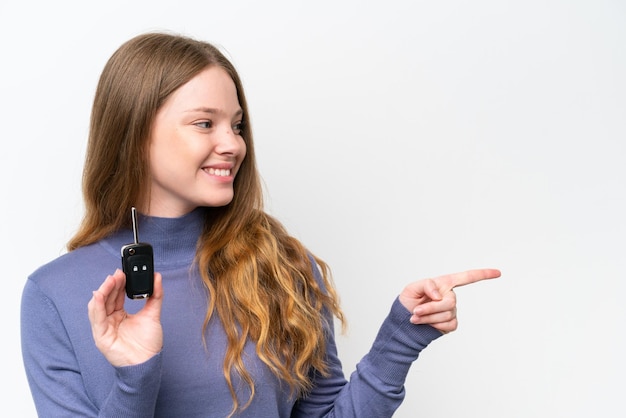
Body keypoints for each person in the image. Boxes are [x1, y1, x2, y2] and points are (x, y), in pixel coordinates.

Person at [20, 31, 501, 418]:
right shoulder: (54, 294)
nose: (232, 144)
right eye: (205, 124)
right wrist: (136, 375)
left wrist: (402, 337)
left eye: (237, 124)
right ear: (134, 134)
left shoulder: (281, 264)